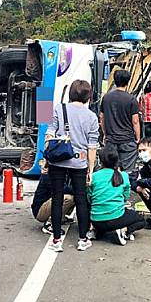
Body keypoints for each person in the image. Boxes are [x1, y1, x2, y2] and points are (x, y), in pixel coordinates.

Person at [45, 79, 99, 252]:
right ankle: (83, 239)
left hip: (58, 160)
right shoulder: (91, 117)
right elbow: (92, 147)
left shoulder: (59, 109)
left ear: (71, 94)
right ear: (88, 96)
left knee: (57, 198)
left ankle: (56, 240)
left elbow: (49, 135)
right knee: (81, 199)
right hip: (80, 161)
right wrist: (90, 169)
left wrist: (46, 156)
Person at [88, 144, 146, 245]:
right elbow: (126, 196)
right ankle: (125, 230)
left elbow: (89, 197)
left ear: (100, 161)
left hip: (96, 220)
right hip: (116, 218)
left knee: (103, 218)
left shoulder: (94, 176)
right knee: (141, 220)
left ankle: (95, 230)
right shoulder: (123, 175)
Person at [99, 70, 141, 182]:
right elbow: (135, 121)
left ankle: (111, 191)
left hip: (111, 139)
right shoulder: (131, 99)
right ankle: (125, 194)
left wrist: (105, 133)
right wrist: (138, 137)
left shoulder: (106, 98)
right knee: (127, 171)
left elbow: (102, 117)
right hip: (127, 140)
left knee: (110, 168)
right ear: (127, 81)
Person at [31, 161, 75, 235]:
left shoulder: (64, 173)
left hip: (49, 204)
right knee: (68, 198)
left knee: (74, 197)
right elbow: (63, 189)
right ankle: (49, 224)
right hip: (40, 210)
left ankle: (61, 218)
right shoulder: (49, 175)